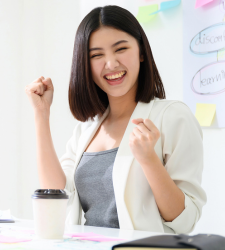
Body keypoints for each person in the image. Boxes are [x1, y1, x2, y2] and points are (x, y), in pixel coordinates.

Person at [24, 5, 206, 234]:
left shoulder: (173, 117)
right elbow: (57, 196)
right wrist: (41, 114)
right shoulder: (87, 129)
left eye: (120, 49)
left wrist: (149, 161)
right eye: (97, 55)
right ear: (86, 65)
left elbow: (184, 220)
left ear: (141, 51)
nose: (110, 64)